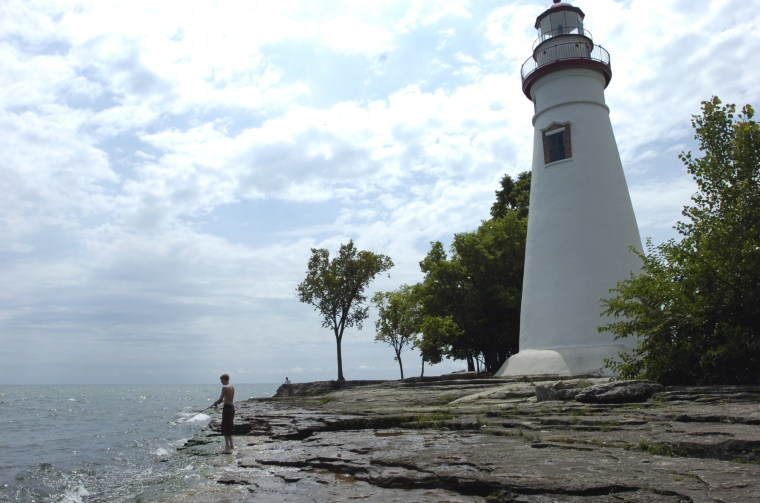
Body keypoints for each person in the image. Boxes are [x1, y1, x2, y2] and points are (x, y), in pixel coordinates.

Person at [213, 373, 235, 452]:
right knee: (230, 426)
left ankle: (227, 447)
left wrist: (215, 403)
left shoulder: (224, 387)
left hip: (227, 409)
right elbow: (226, 399)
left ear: (224, 379)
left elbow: (220, 399)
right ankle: (232, 445)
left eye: (221, 380)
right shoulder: (232, 387)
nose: (221, 382)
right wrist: (219, 402)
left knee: (225, 427)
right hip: (232, 408)